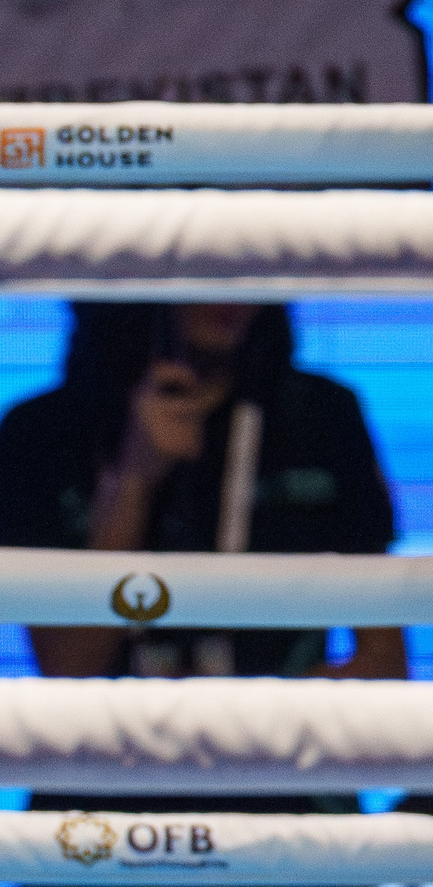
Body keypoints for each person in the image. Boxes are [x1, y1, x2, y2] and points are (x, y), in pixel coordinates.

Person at [0, 304, 403, 811]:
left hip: (282, 800)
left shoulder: (322, 415)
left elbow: (385, 665)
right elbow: (68, 667)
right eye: (202, 266)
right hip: (103, 799)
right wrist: (133, 481)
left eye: (240, 266)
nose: (229, 294)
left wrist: (251, 721)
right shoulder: (41, 431)